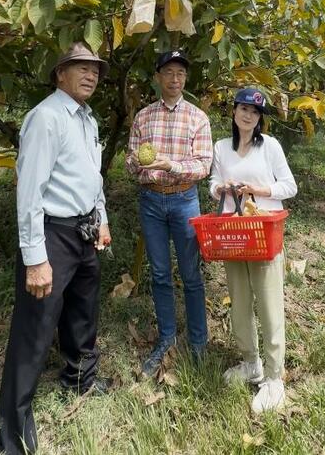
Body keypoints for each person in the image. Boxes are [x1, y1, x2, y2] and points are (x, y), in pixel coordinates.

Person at [0, 43, 112, 455]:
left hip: (83, 231)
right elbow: (29, 193)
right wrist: (36, 258)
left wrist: (102, 218)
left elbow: (90, 175)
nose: (90, 75)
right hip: (53, 233)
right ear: (59, 73)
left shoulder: (87, 118)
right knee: (36, 325)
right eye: (80, 67)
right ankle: (11, 426)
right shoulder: (46, 117)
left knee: (82, 312)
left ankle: (79, 378)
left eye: (95, 70)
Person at [209, 87, 297, 413]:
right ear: (233, 112)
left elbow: (290, 186)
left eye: (255, 112)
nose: (249, 115)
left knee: (270, 302)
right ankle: (251, 363)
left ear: (259, 119)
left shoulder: (269, 147)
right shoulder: (221, 147)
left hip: (265, 230)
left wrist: (258, 190)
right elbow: (213, 182)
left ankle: (274, 378)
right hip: (234, 231)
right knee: (240, 301)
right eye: (244, 109)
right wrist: (220, 188)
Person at [126, 50, 212, 376]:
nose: (175, 79)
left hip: (184, 200)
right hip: (151, 201)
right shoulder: (143, 117)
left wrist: (169, 164)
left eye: (180, 74)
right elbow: (131, 163)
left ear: (185, 78)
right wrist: (139, 162)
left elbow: (203, 165)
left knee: (191, 275)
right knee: (160, 274)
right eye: (169, 73)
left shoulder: (197, 118)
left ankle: (198, 341)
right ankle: (166, 337)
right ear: (158, 77)